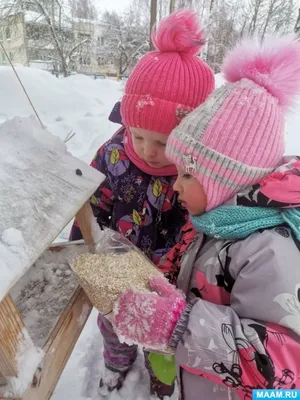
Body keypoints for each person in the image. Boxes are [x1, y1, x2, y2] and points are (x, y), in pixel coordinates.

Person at [112, 34, 300, 399]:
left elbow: (288, 375)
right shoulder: (210, 225)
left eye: (186, 174)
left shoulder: (267, 252)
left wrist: (179, 325)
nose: (175, 186)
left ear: (223, 180)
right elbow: (185, 273)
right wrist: (155, 284)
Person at [70, 9, 215, 398]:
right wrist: (88, 251)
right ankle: (117, 363)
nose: (149, 152)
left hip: (166, 284)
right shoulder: (114, 154)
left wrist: (176, 271)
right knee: (112, 325)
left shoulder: (194, 175)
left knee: (162, 341)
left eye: (165, 142)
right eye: (139, 136)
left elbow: (200, 225)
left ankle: (162, 376)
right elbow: (93, 205)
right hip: (117, 273)